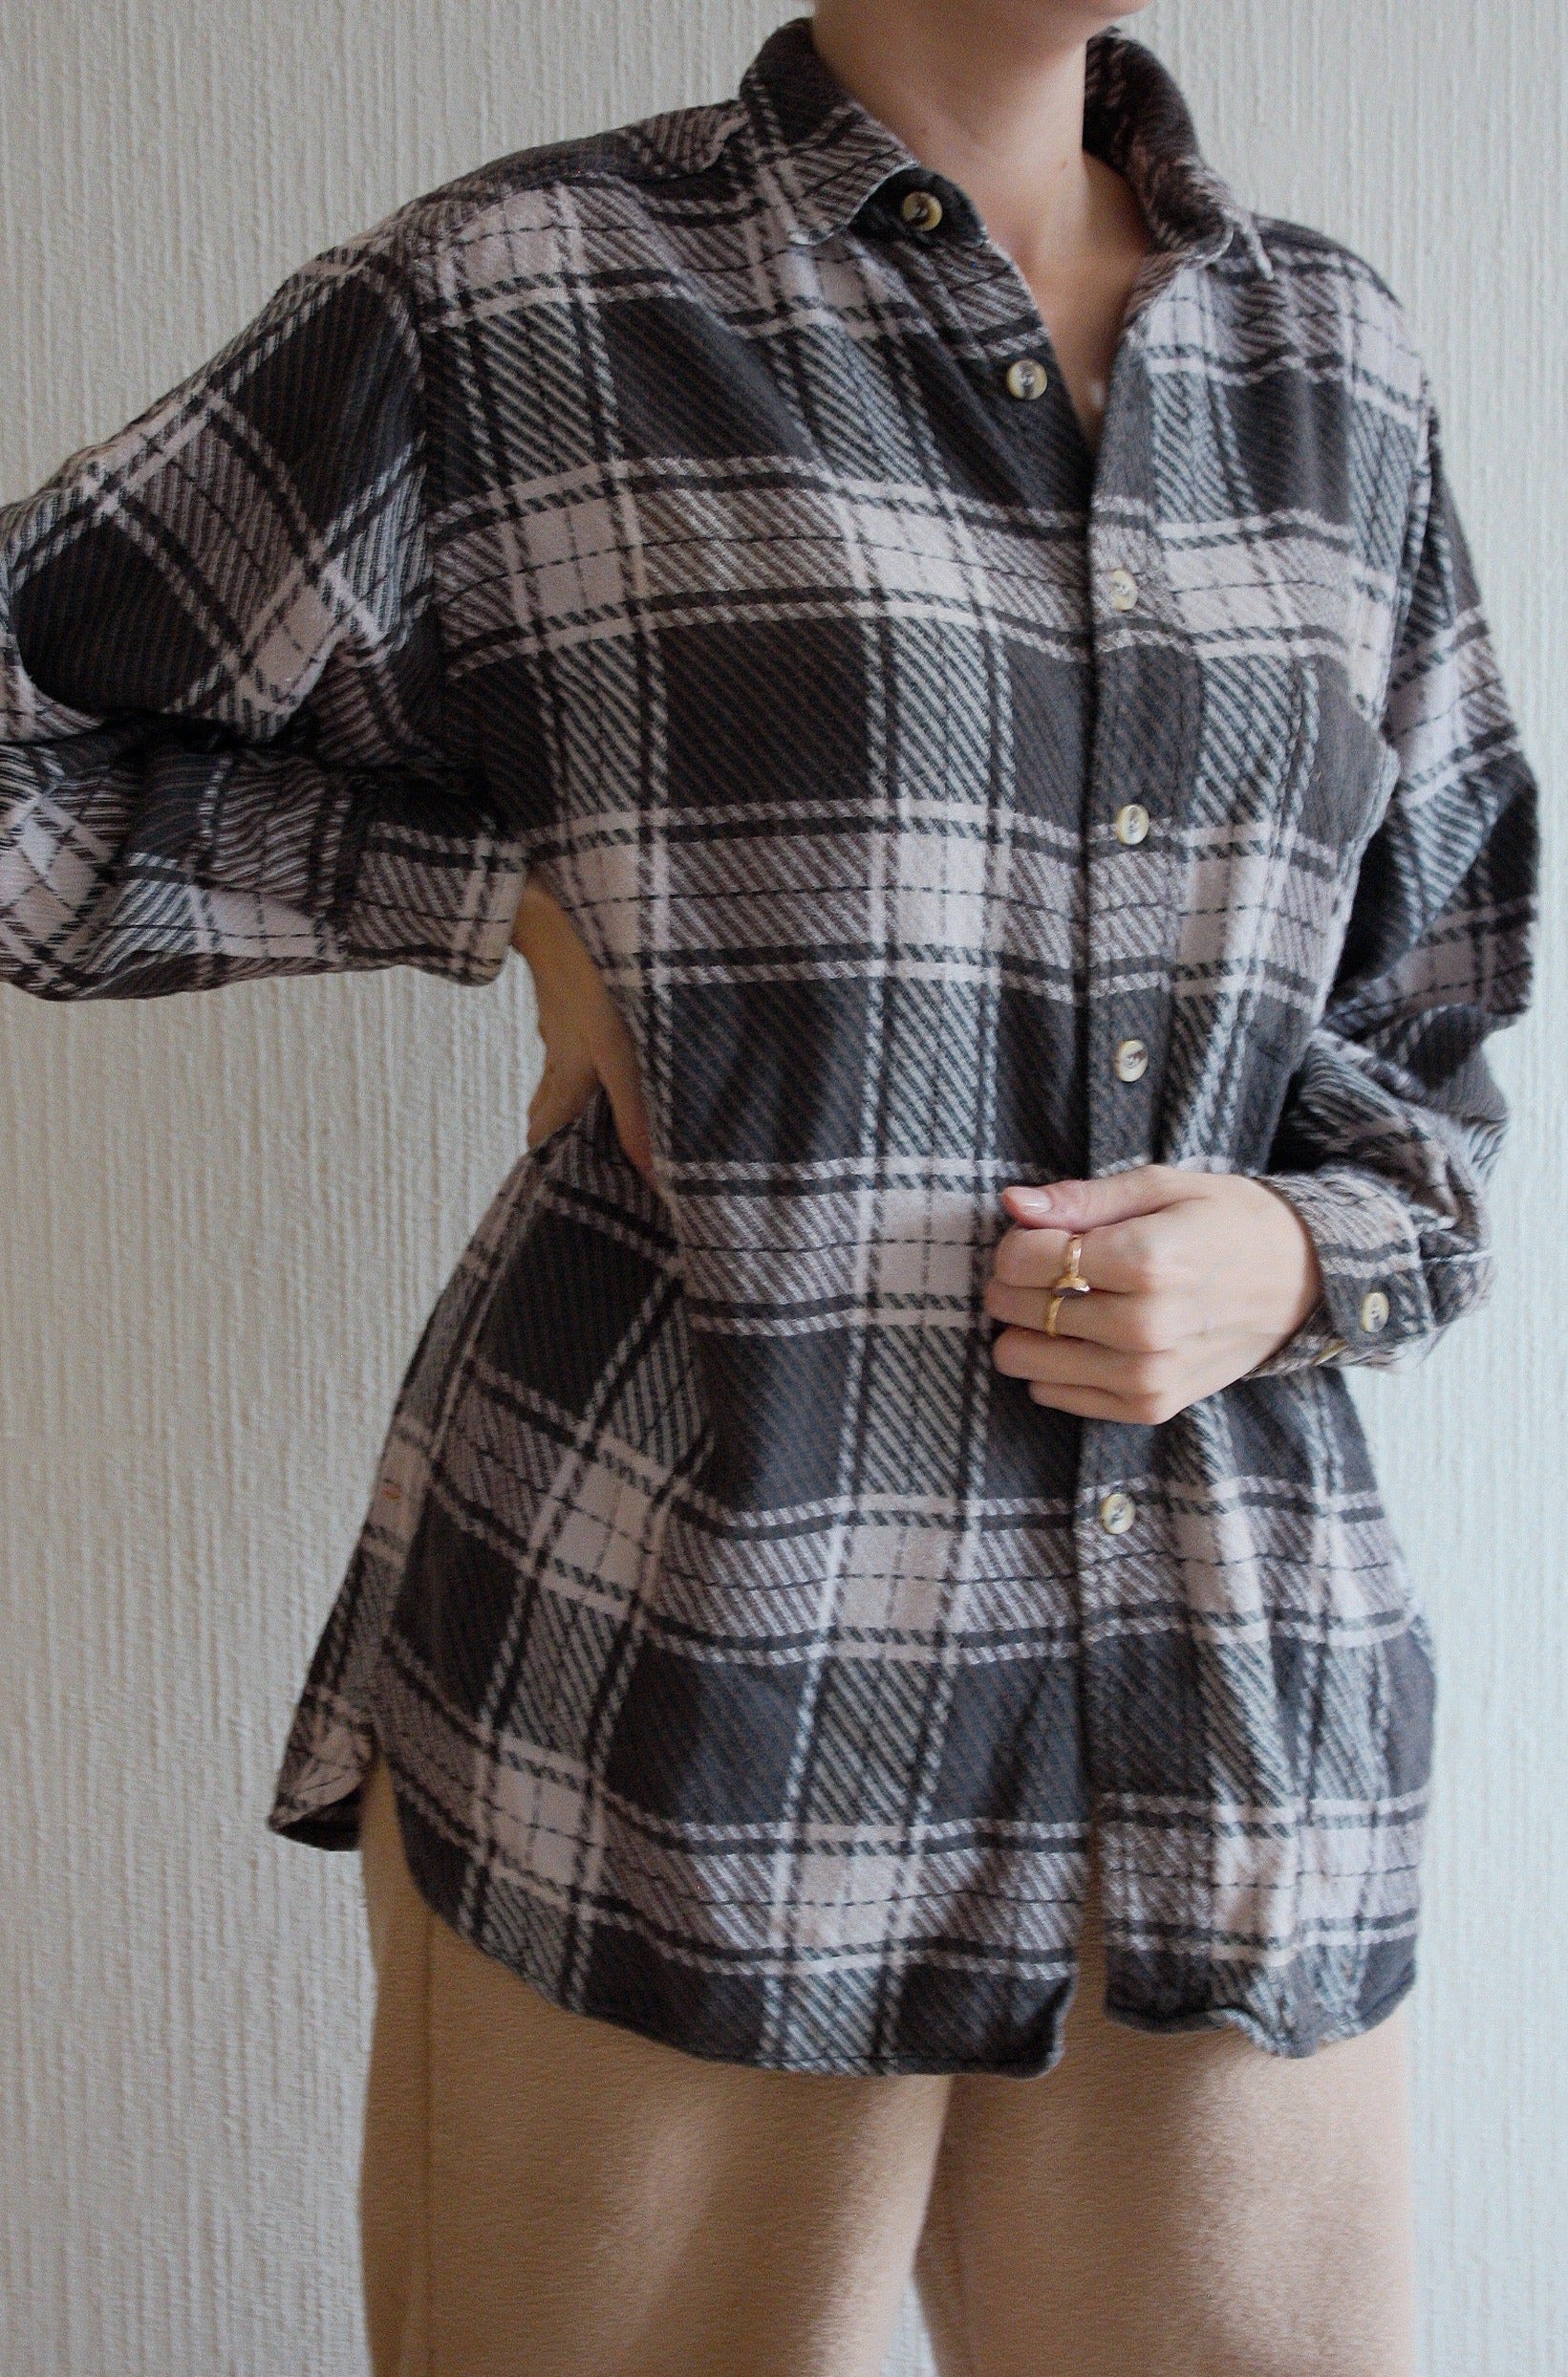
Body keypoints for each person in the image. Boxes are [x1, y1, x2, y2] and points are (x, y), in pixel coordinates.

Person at [0, 2, 1538, 2370]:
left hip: (1219, 1720)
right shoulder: (513, 298)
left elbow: (1425, 1029)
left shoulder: (1325, 351)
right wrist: (485, 893)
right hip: (685, 1713)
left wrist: (1287, 1248)